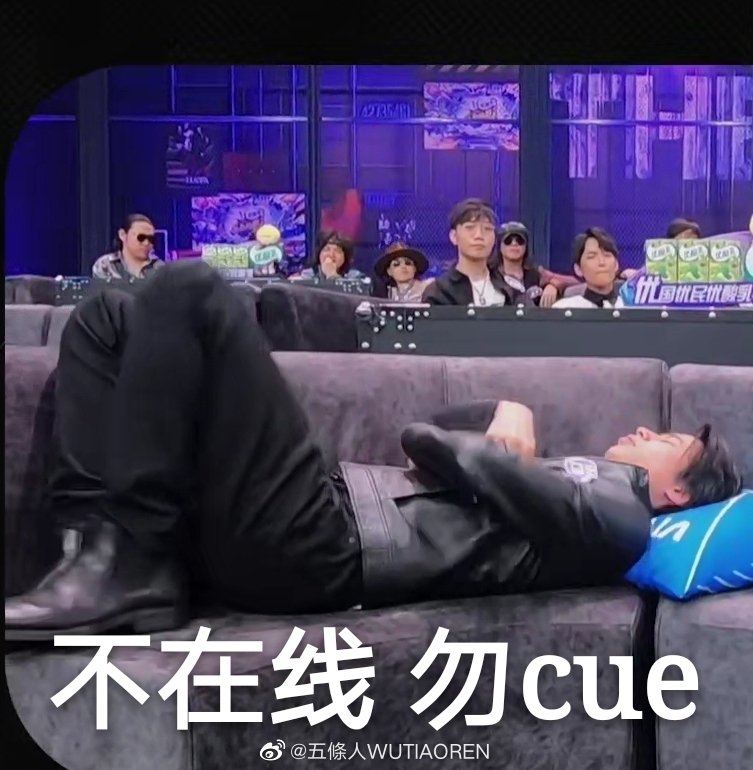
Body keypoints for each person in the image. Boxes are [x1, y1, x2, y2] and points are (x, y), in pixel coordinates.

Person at [5, 262, 742, 641]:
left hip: (325, 545)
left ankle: (127, 564)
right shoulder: (578, 490)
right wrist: (508, 408)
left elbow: (436, 444)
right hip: (317, 516)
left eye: (665, 441)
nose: (644, 431)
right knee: (107, 317)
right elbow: (443, 430)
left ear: (678, 493)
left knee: (191, 287)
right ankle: (98, 551)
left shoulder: (624, 521)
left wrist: (470, 452)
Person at [422, 199, 512, 306]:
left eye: (487, 229)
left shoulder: (510, 291)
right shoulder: (438, 292)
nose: (479, 235)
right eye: (470, 228)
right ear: (454, 236)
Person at [491, 222, 578, 307]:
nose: (514, 244)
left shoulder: (537, 274)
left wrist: (553, 285)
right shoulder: (492, 276)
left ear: (526, 246)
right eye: (508, 240)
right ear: (499, 246)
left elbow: (576, 282)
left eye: (520, 240)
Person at [553, 227, 624, 309]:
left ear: (616, 265)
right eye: (592, 257)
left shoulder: (629, 306)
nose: (601, 262)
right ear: (578, 269)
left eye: (607, 255)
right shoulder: (564, 308)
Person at [92, 214, 163, 281]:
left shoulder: (159, 267)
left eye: (151, 239)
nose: (146, 243)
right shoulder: (105, 264)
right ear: (122, 235)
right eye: (141, 238)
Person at [290, 231, 364, 281]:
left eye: (337, 251)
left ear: (345, 257)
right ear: (319, 254)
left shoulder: (355, 277)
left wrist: (332, 275)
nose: (331, 254)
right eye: (326, 249)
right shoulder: (306, 276)